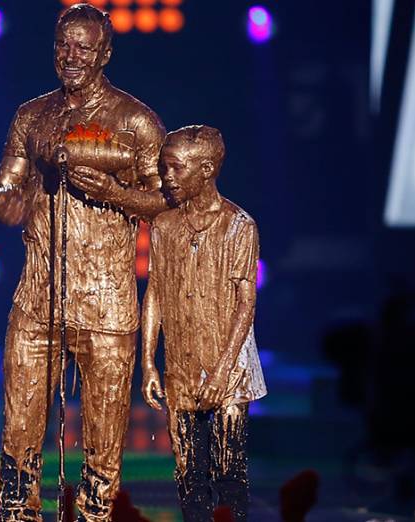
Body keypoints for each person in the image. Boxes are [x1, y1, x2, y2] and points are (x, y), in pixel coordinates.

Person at [0, 4, 168, 521]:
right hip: (38, 296)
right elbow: (4, 182)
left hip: (107, 303)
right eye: (64, 46)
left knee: (104, 440)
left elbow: (166, 200)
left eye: (84, 48)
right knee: (20, 426)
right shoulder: (31, 115)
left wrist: (115, 193)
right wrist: (1, 202)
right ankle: (17, 513)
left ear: (105, 53)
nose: (71, 57)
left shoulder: (135, 121)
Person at [141, 126, 267, 522]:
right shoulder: (164, 226)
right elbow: (155, 294)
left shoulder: (239, 226)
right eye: (165, 168)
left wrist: (223, 370)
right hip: (180, 366)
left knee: (229, 471)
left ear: (206, 169)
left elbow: (246, 302)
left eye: (177, 168)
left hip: (229, 369)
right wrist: (148, 361)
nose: (168, 178)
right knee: (189, 476)